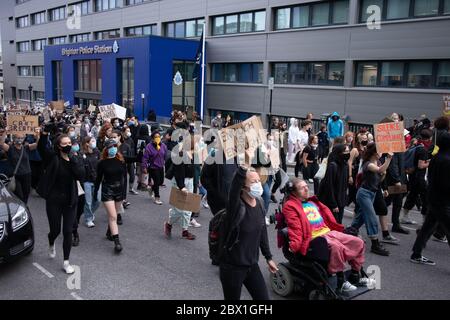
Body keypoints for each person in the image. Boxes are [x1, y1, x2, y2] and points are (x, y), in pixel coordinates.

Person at [283, 178, 374, 292]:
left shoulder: (312, 202)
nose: (307, 189)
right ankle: (341, 281)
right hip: (314, 239)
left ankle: (355, 275)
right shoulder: (290, 206)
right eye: (302, 188)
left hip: (329, 232)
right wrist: (295, 246)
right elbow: (294, 227)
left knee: (358, 242)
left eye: (306, 186)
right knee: (336, 247)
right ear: (293, 192)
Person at [219, 166, 278, 300]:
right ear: (243, 187)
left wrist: (268, 257)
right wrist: (243, 166)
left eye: (258, 181)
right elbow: (233, 188)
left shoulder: (260, 203)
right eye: (253, 182)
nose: (258, 184)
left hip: (252, 265)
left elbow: (262, 231)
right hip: (232, 268)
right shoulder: (235, 207)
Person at [37, 131, 85, 274]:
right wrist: (44, 134)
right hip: (54, 201)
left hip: (70, 201)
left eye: (69, 143)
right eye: (65, 144)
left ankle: (66, 261)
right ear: (58, 146)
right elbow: (41, 148)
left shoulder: (74, 159)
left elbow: (80, 174)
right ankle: (51, 241)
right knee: (56, 230)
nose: (68, 146)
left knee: (68, 231)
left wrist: (73, 162)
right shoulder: (53, 158)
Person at [410, 132, 450, 265]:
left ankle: (416, 253)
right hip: (443, 201)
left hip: (433, 197)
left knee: (427, 227)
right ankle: (416, 253)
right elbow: (446, 184)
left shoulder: (436, 158)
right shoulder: (447, 160)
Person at [351, 142, 391, 256]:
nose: (381, 153)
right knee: (371, 217)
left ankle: (349, 232)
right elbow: (379, 170)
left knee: (361, 218)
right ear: (374, 153)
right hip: (364, 194)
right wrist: (389, 159)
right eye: (379, 151)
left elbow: (380, 177)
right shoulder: (367, 164)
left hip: (372, 193)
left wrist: (383, 174)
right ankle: (375, 244)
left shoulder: (377, 162)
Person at [94, 139, 127, 253]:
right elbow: (98, 179)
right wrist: (95, 193)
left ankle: (110, 231)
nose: (113, 148)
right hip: (107, 191)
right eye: (110, 146)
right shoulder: (102, 163)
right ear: (106, 149)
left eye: (114, 146)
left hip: (119, 191)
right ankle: (117, 242)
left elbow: (124, 179)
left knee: (114, 215)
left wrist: (124, 194)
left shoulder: (121, 161)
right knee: (113, 216)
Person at [164, 136, 197, 240]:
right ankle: (168, 224)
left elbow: (194, 170)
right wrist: (182, 186)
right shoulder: (181, 154)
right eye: (196, 143)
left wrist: (197, 182)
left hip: (190, 181)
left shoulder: (194, 155)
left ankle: (185, 230)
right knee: (179, 209)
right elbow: (178, 173)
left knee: (188, 208)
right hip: (180, 181)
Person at [0, 130, 40, 204]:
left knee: (26, 194)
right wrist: (5, 132)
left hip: (27, 174)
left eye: (21, 138)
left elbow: (38, 144)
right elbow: (1, 144)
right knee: (19, 195)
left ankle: (24, 209)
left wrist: (37, 135)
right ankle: (21, 207)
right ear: (14, 138)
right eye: (18, 138)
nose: (20, 139)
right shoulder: (10, 148)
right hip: (16, 176)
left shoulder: (26, 148)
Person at [402, 129, 432, 225]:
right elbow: (421, 165)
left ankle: (404, 216)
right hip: (420, 179)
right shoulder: (423, 150)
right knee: (425, 199)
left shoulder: (416, 146)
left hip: (413, 177)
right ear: (429, 138)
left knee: (412, 196)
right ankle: (424, 220)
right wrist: (431, 162)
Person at [317, 144, 350, 224]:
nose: (348, 153)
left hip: (341, 202)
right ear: (339, 153)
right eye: (345, 151)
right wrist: (333, 204)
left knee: (339, 223)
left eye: (348, 151)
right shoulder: (333, 166)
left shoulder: (345, 166)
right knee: (333, 224)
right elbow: (329, 187)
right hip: (332, 202)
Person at [142, 131, 167, 205]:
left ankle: (151, 188)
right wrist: (144, 166)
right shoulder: (149, 146)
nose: (158, 138)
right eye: (156, 137)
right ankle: (157, 198)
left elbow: (165, 155)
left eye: (159, 137)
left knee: (160, 182)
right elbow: (145, 158)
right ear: (152, 138)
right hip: (153, 167)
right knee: (156, 182)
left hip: (161, 166)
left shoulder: (163, 146)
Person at [80, 136, 100, 228]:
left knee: (98, 201)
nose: (94, 142)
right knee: (88, 201)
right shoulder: (82, 154)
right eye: (92, 141)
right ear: (87, 143)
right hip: (86, 181)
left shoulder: (97, 152)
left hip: (97, 180)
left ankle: (89, 213)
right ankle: (88, 219)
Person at [121, 126, 138, 195]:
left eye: (129, 130)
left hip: (130, 159)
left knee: (132, 175)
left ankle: (131, 188)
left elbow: (133, 148)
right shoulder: (121, 140)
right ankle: (121, 191)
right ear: (123, 132)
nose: (129, 132)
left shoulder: (130, 139)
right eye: (127, 131)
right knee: (122, 177)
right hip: (123, 160)